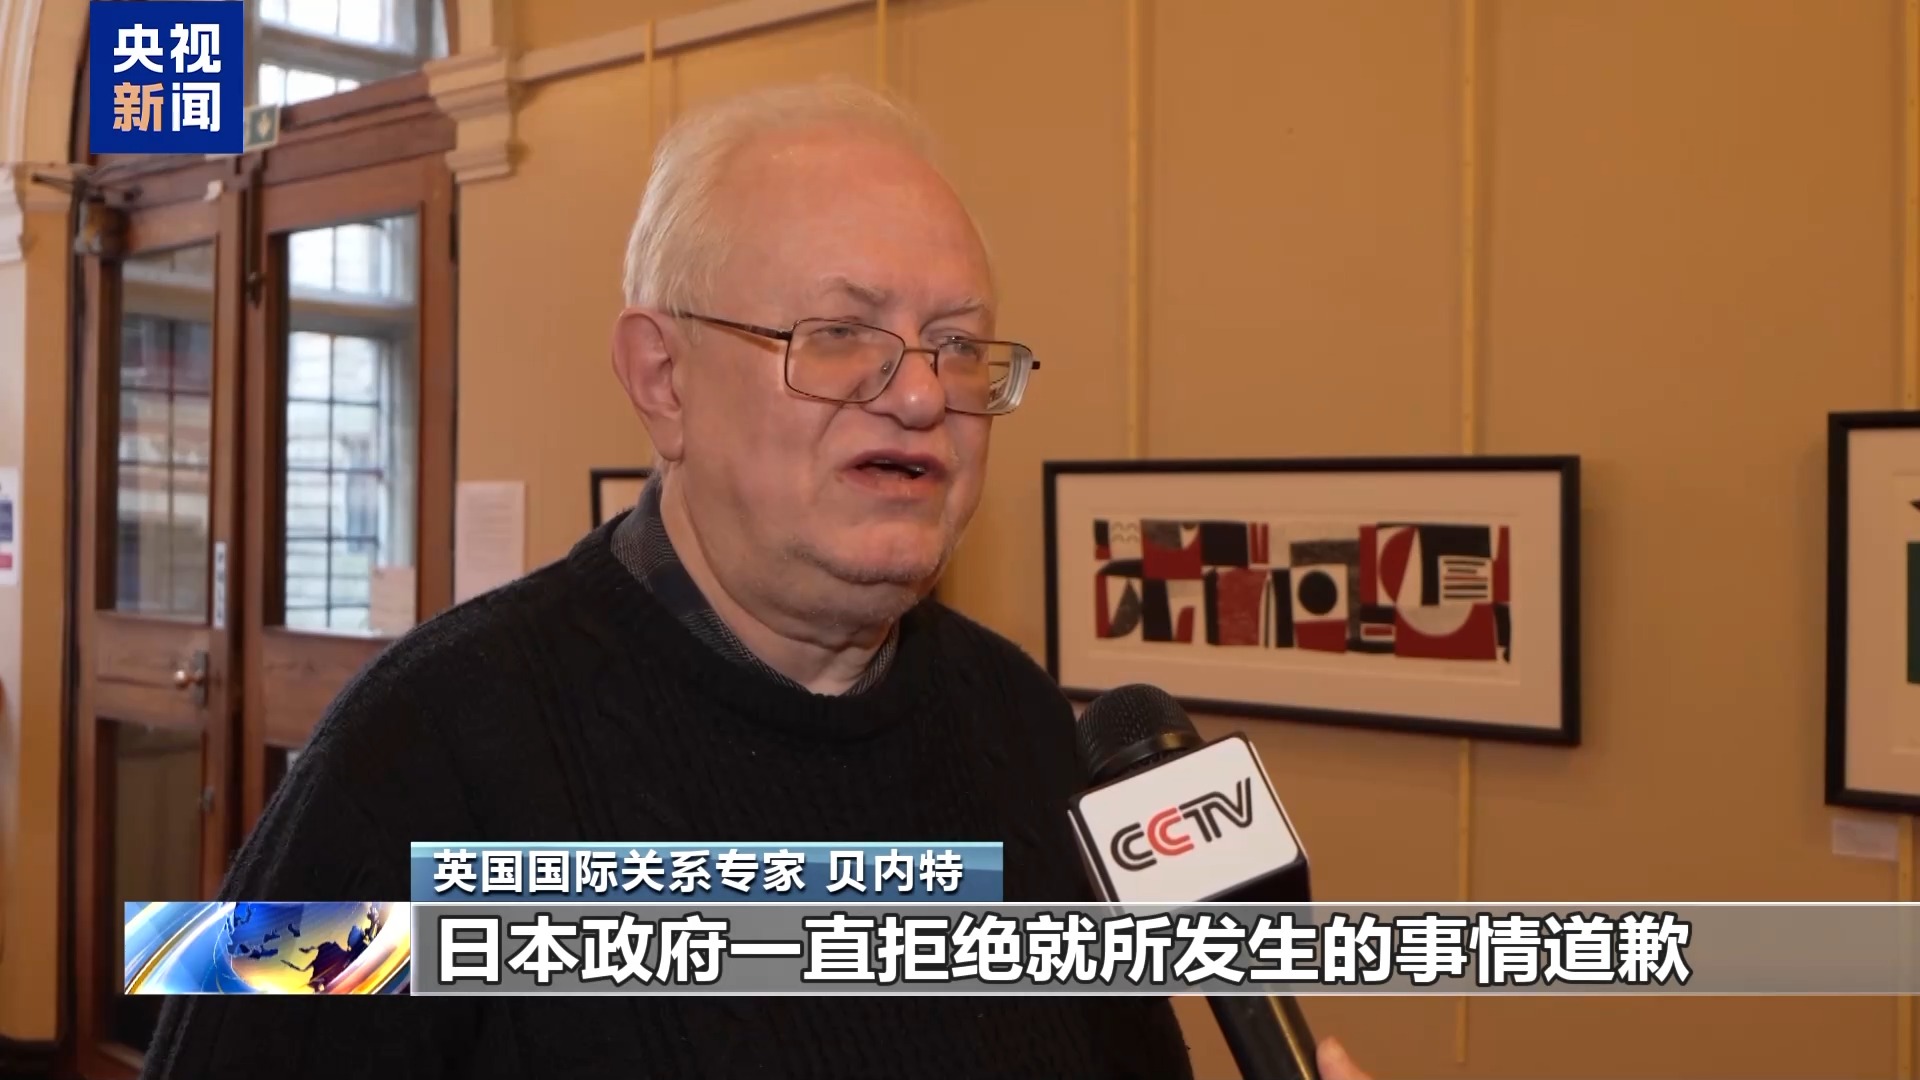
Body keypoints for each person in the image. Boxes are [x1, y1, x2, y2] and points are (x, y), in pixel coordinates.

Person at [141, 80, 1371, 1080]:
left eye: (956, 345)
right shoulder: (420, 755)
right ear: (662, 379)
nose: (920, 394)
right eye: (839, 336)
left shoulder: (1027, 727)